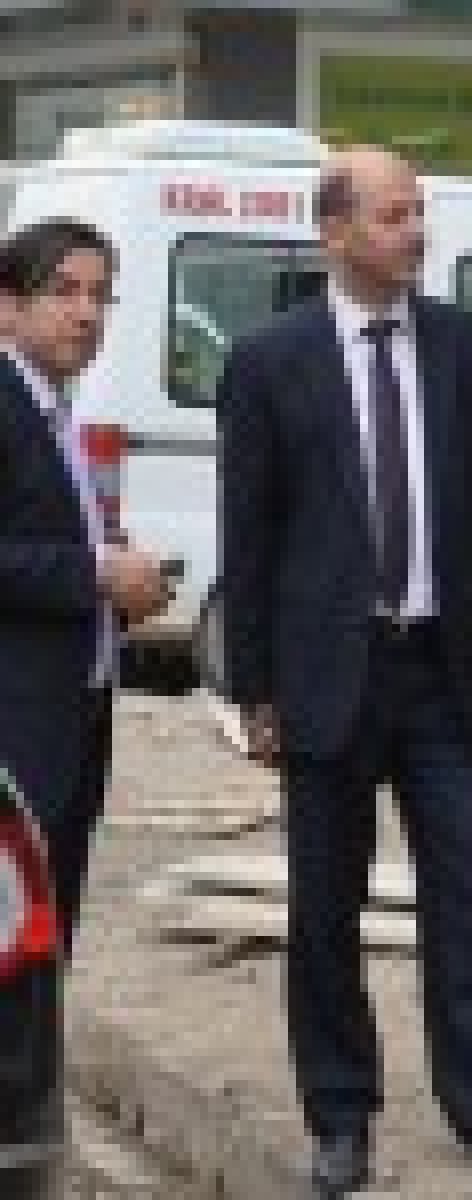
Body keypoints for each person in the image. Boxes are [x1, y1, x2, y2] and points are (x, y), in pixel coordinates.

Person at [217, 148, 472, 1197]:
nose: (415, 231)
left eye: (420, 212)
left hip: (440, 673)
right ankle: (340, 1117)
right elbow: (249, 535)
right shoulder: (270, 362)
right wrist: (254, 689)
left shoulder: (467, 349)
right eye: (392, 215)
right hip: (327, 675)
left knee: (471, 895)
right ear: (334, 233)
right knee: (325, 909)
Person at [0, 219, 172, 953]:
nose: (86, 313)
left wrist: (123, 579)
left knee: (44, 943)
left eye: (101, 295)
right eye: (64, 292)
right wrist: (96, 571)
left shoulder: (55, 408)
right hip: (16, 732)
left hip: (72, 720)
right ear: (8, 305)